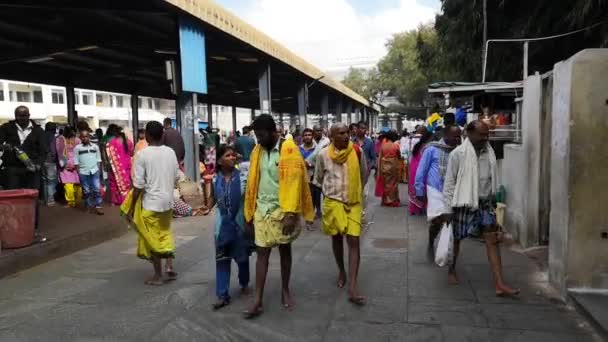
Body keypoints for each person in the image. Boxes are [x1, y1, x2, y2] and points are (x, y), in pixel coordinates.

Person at [243, 114, 314, 319]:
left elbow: (296, 183)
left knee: (285, 251)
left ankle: (285, 290)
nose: (258, 139)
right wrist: (249, 213)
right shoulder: (257, 151)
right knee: (262, 254)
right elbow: (252, 182)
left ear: (274, 132)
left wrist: (291, 214)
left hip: (283, 210)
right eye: (256, 135)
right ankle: (257, 300)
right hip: (261, 210)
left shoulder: (289, 150)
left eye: (261, 135)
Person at [442, 121, 519, 296]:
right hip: (463, 202)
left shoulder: (490, 152)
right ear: (469, 133)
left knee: (492, 242)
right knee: (457, 239)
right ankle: (451, 269)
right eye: (482, 134)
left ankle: (500, 284)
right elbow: (449, 183)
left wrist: (495, 201)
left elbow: (493, 179)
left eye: (487, 134)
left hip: (485, 203)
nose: (486, 138)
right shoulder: (458, 154)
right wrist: (447, 210)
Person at [313, 123, 367, 305]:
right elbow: (319, 179)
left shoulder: (357, 152)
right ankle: (341, 271)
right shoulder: (322, 155)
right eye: (341, 133)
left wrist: (354, 190)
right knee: (336, 239)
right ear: (332, 136)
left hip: (353, 202)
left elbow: (364, 175)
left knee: (354, 240)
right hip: (332, 202)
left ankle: (353, 285)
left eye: (347, 133)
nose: (346, 136)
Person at [122, 121, 180, 286]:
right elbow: (176, 176)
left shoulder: (143, 155)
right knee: (165, 232)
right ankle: (169, 266)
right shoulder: (170, 152)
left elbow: (138, 185)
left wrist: (132, 208)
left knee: (152, 238)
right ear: (162, 135)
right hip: (168, 201)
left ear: (146, 135)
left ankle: (158, 276)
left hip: (151, 203)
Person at [208, 144, 252, 310]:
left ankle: (244, 283)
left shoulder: (243, 178)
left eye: (233, 155)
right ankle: (222, 294)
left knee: (242, 258)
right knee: (222, 260)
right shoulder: (214, 179)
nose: (232, 158)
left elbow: (248, 200)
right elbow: (213, 199)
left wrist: (250, 221)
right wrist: (206, 207)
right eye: (228, 156)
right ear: (219, 160)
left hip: (239, 224)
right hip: (221, 227)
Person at [414, 125, 462, 258]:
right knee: (437, 220)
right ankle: (431, 240)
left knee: (449, 220)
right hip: (435, 189)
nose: (458, 139)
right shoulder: (432, 149)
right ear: (446, 136)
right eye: (455, 136)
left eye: (460, 136)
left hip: (453, 190)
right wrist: (419, 190)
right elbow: (421, 170)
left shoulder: (460, 151)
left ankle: (447, 250)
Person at [0, 106, 47, 235]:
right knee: (12, 199)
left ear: (29, 115)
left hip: (32, 170)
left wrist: (38, 164)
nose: (21, 118)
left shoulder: (38, 131)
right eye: (19, 115)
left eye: (24, 115)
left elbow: (44, 151)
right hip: (12, 170)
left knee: (32, 199)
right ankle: (13, 227)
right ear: (15, 116)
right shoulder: (6, 128)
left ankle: (32, 227)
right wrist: (3, 146)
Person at [74, 129, 104, 215]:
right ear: (80, 138)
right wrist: (78, 172)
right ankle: (88, 205)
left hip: (94, 171)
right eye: (83, 137)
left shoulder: (95, 147)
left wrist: (97, 169)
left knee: (96, 189)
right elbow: (76, 161)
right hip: (83, 172)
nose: (84, 138)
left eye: (86, 136)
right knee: (86, 190)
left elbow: (98, 159)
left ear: (89, 137)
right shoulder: (77, 148)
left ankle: (98, 206)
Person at [306, 125, 331, 219]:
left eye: (320, 130)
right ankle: (316, 211)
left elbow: (322, 154)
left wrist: (309, 162)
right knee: (314, 192)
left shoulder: (326, 141)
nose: (319, 132)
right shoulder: (310, 141)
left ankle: (326, 210)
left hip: (323, 169)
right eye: (317, 130)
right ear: (313, 132)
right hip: (311, 171)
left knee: (325, 191)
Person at [105, 126, 133, 205]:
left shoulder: (111, 143)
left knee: (114, 184)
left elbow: (109, 157)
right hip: (126, 167)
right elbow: (131, 153)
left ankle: (115, 201)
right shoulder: (129, 142)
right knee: (126, 184)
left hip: (115, 167)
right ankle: (125, 201)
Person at [408, 129, 433, 215]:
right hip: (421, 169)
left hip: (414, 168)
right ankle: (420, 208)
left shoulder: (417, 145)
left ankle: (413, 209)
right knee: (422, 189)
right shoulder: (427, 147)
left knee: (414, 188)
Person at [56, 127, 82, 208]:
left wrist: (63, 163)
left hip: (66, 162)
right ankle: (78, 200)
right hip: (77, 162)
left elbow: (59, 152)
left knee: (68, 184)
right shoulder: (77, 140)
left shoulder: (61, 140)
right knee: (77, 183)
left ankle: (71, 202)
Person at [376, 131, 401, 207]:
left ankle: (385, 200)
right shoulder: (395, 146)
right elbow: (399, 156)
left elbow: (380, 156)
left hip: (384, 165)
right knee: (393, 183)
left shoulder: (383, 146)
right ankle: (392, 200)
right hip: (393, 165)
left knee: (385, 183)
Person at [299, 128, 317, 230]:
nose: (307, 137)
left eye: (309, 135)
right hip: (302, 178)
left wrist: (309, 164)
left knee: (313, 199)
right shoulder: (298, 149)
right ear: (303, 137)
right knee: (305, 200)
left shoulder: (317, 149)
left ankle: (310, 219)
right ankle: (308, 220)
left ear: (312, 136)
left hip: (314, 177)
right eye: (305, 135)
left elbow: (319, 161)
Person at [43, 122, 58, 206]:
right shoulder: (52, 137)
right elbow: (53, 149)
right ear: (53, 129)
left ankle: (45, 199)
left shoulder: (41, 135)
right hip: (50, 161)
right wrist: (54, 157)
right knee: (51, 181)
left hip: (42, 160)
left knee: (45, 181)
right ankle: (50, 200)